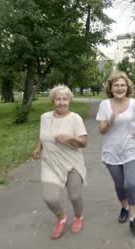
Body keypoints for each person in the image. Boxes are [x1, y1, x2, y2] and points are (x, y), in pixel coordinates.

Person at [96, 71, 135, 237]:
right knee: (120, 186)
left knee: (130, 184)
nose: (120, 88)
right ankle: (124, 207)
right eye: (116, 85)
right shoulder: (104, 105)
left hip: (132, 150)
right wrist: (110, 121)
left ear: (128, 87)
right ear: (111, 88)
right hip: (111, 152)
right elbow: (101, 131)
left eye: (123, 85)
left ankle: (133, 219)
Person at [32, 84, 88, 240]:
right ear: (52, 101)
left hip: (72, 163)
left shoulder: (75, 118)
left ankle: (78, 217)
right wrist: (38, 148)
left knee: (75, 196)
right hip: (50, 162)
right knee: (50, 197)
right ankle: (61, 218)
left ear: (69, 100)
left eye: (65, 99)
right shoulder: (45, 117)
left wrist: (69, 138)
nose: (61, 102)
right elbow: (43, 135)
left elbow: (84, 142)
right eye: (58, 99)